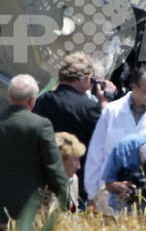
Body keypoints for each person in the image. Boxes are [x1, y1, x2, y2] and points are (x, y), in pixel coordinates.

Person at [0, 74, 68, 228]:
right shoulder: (41, 125)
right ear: (32, 99)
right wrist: (67, 203)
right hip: (31, 212)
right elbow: (54, 170)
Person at [85, 64, 146, 202]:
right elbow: (95, 154)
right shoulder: (111, 112)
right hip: (110, 192)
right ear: (134, 87)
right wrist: (92, 194)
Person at [33, 52, 113, 201]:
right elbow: (106, 136)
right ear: (82, 79)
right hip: (77, 178)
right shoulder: (88, 107)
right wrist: (104, 104)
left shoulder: (42, 100)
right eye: (90, 79)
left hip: (45, 176)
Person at [101, 136, 146, 214]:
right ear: (141, 155)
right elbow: (108, 183)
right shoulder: (123, 149)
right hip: (119, 209)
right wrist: (120, 187)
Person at [55, 132, 86, 212]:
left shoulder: (74, 179)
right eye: (75, 160)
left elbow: (73, 210)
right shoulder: (45, 187)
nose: (79, 166)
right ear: (61, 160)